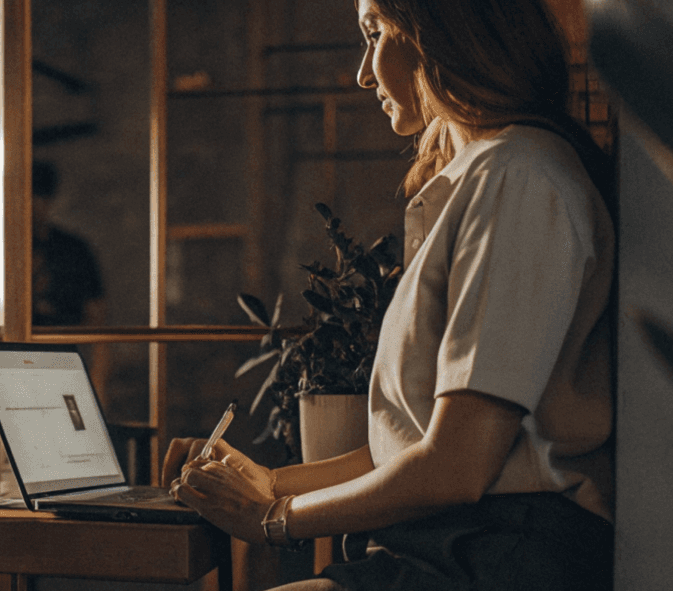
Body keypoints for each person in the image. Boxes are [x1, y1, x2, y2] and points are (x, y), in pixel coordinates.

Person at [162, 1, 616, 590]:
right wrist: (268, 482)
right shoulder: (492, 177)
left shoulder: (518, 178)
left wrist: (274, 518)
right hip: (459, 545)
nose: (362, 73)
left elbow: (456, 466)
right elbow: (413, 446)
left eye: (374, 33)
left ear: (439, 32)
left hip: (497, 555)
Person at [31, 161, 110, 400]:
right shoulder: (2, 253)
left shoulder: (74, 250)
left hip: (67, 363)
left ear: (48, 200)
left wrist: (98, 380)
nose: (30, 206)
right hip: (16, 365)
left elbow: (98, 319)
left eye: (38, 197)